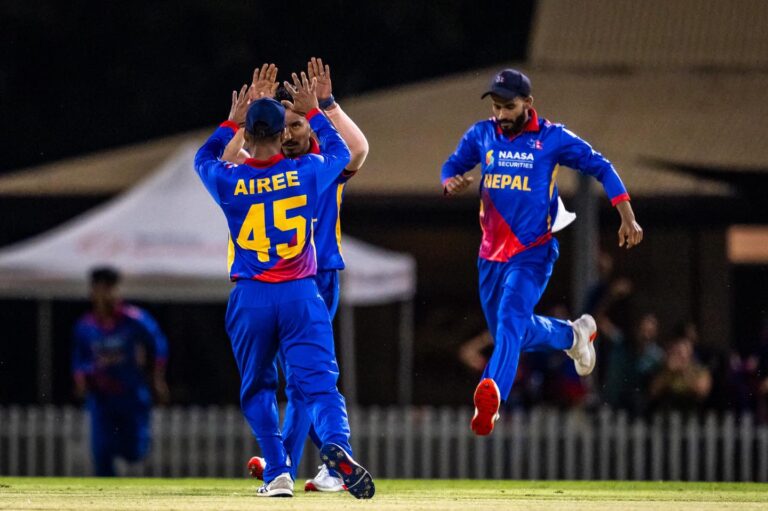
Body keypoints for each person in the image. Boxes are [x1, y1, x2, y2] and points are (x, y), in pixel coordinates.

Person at [193, 73, 374, 499]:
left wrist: (232, 121)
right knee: (319, 384)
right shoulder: (306, 172)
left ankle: (277, 471)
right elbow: (342, 151)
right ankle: (337, 446)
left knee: (258, 387)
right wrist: (316, 110)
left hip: (251, 295)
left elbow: (205, 156)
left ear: (248, 134)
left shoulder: (228, 179)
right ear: (281, 134)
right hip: (301, 292)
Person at [441, 68, 643, 436]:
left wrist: (626, 215)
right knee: (512, 331)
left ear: (528, 103)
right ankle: (573, 336)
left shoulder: (552, 138)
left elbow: (601, 166)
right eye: (496, 106)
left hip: (532, 253)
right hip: (489, 258)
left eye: (509, 106)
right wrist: (449, 181)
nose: (501, 114)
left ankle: (492, 395)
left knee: (509, 320)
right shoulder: (482, 134)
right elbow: (452, 164)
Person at [71, 266, 169, 476]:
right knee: (101, 453)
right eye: (100, 289)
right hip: (101, 397)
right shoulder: (85, 326)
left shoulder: (135, 319)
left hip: (131, 393)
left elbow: (158, 345)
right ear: (92, 292)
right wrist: (81, 381)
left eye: (109, 288)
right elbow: (79, 358)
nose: (105, 295)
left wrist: (156, 378)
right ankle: (105, 493)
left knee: (134, 451)